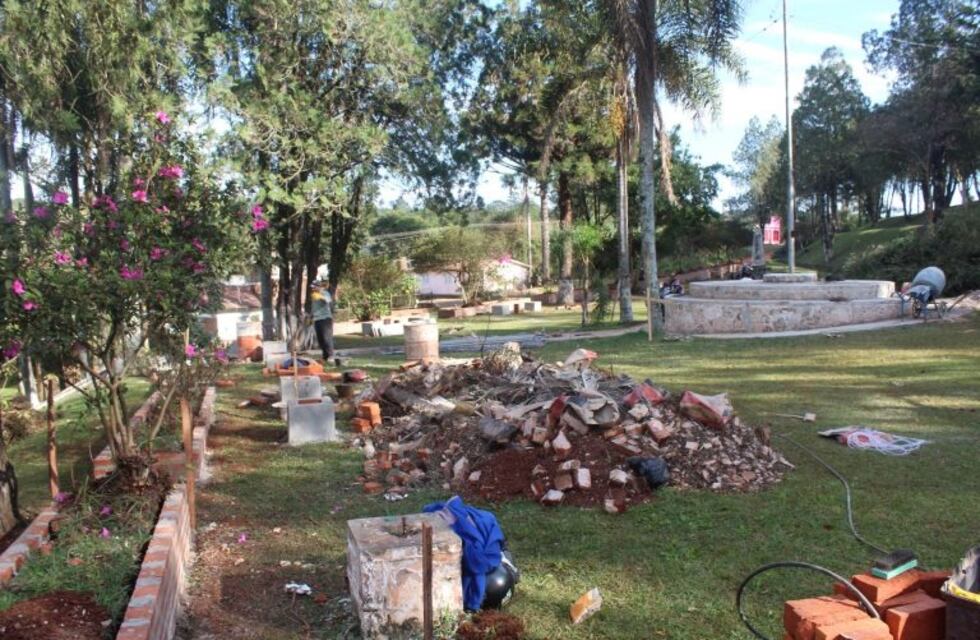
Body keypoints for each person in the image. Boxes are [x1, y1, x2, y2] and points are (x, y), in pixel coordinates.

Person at [311, 280, 338, 366]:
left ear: (318, 286)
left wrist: (321, 297)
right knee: (320, 339)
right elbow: (314, 308)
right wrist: (311, 316)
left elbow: (328, 301)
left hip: (325, 319)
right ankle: (325, 356)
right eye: (312, 287)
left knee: (327, 338)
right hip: (317, 319)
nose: (313, 289)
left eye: (314, 287)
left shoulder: (325, 293)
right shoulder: (314, 295)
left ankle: (331, 356)